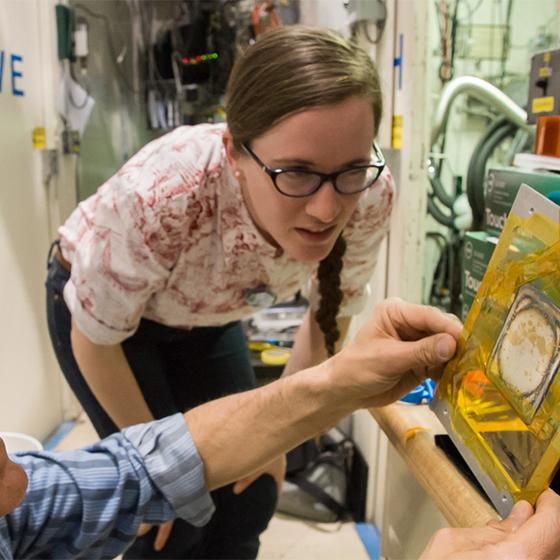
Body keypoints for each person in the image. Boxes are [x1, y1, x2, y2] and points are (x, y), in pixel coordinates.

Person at [45, 25, 393, 558]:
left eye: (349, 171)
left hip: (208, 317)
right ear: (234, 152)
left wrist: (277, 434)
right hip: (107, 328)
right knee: (169, 518)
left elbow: (330, 315)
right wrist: (165, 470)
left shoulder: (369, 195)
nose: (327, 210)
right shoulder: (165, 193)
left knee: (250, 495)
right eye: (296, 173)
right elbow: (95, 341)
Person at [6, 299, 560, 558]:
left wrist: (330, 388)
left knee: (246, 497)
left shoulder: (14, 505)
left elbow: (138, 471)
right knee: (173, 535)